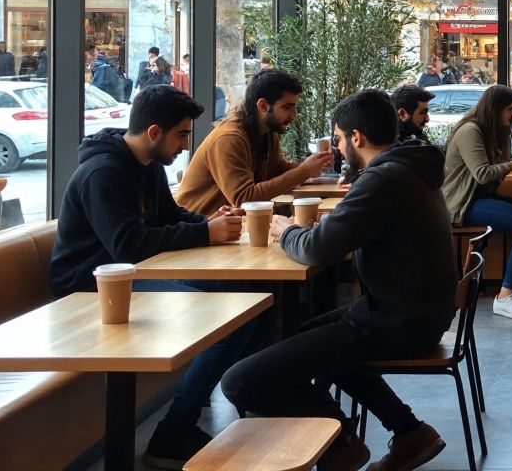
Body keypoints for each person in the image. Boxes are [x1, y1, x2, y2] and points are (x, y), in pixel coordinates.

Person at [222, 90, 454, 471]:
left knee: (240, 382)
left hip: (399, 321)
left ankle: (341, 442)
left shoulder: (384, 178)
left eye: (339, 138)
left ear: (356, 137)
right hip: (415, 311)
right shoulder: (408, 167)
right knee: (302, 338)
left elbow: (315, 250)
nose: (340, 147)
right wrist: (316, 231)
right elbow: (345, 233)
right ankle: (409, 431)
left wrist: (286, 230)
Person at [49, 86, 252, 468]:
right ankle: (173, 434)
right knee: (222, 317)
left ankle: (179, 429)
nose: (184, 145)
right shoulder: (101, 172)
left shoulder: (148, 166)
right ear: (155, 132)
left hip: (130, 279)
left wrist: (213, 224)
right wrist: (204, 233)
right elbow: (126, 244)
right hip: (90, 290)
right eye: (182, 135)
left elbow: (169, 215)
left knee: (243, 302)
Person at [443, 84, 512, 320]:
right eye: (510, 109)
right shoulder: (470, 131)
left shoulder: (489, 131)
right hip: (462, 205)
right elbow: (482, 173)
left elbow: (491, 165)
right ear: (494, 109)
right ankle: (506, 295)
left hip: (480, 198)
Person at [176, 70, 334, 215]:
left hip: (231, 227)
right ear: (263, 106)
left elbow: (277, 170)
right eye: (287, 107)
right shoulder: (229, 138)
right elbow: (244, 199)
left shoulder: (267, 132)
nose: (294, 115)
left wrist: (311, 167)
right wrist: (304, 171)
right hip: (199, 229)